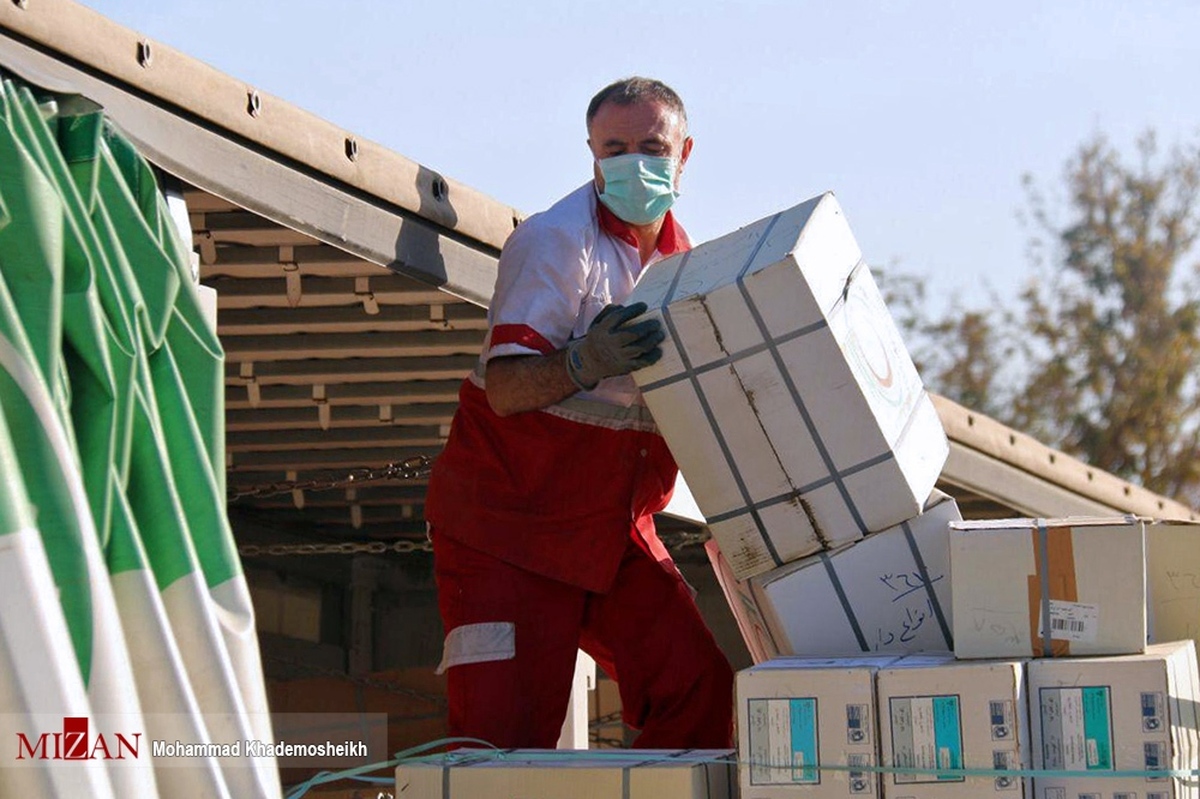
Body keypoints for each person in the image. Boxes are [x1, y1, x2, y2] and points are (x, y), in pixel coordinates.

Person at [424, 76, 734, 749]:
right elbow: (506, 391)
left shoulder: (687, 266)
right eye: (615, 149)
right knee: (500, 744)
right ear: (592, 153)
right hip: (508, 533)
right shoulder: (555, 242)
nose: (634, 162)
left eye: (652, 147)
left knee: (701, 692)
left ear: (684, 154)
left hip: (610, 530)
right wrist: (582, 361)